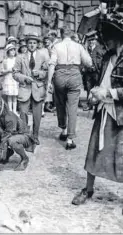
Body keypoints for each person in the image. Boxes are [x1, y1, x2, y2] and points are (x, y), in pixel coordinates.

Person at [72, 6, 123, 205]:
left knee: (121, 154)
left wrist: (109, 93)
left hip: (119, 113)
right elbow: (101, 82)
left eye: (110, 34)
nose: (105, 38)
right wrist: (95, 94)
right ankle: (88, 189)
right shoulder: (106, 57)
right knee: (93, 151)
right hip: (103, 112)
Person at [47, 26, 92, 150]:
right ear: (71, 34)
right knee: (72, 107)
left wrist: (49, 82)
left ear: (61, 35)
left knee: (60, 104)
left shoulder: (56, 46)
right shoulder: (78, 46)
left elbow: (52, 64)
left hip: (59, 75)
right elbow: (89, 62)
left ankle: (64, 130)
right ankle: (70, 139)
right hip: (74, 75)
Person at [0, 92, 34, 178]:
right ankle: (8, 153)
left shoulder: (9, 117)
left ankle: (24, 158)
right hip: (8, 136)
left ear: (2, 104)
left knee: (11, 141)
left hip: (24, 136)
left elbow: (5, 141)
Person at [13, 32, 50, 151]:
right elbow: (15, 73)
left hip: (38, 89)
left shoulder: (42, 56)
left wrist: (39, 74)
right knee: (23, 114)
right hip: (24, 89)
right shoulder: (20, 57)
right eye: (30, 43)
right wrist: (24, 78)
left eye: (34, 43)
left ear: (37, 44)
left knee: (37, 115)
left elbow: (46, 72)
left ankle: (35, 136)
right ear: (26, 44)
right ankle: (25, 136)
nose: (32, 45)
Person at [82, 34, 106, 111]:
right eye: (90, 40)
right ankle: (89, 104)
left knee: (97, 87)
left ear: (96, 41)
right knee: (89, 88)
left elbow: (101, 59)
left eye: (93, 40)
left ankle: (97, 104)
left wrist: (98, 67)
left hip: (96, 72)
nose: (91, 42)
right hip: (88, 72)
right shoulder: (87, 49)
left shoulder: (99, 48)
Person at [1, 44, 19, 116]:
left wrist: (16, 70)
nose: (13, 51)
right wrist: (9, 70)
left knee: (15, 95)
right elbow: (2, 71)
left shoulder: (17, 60)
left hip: (15, 79)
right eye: (11, 50)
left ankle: (14, 110)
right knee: (9, 96)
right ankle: (10, 111)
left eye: (14, 50)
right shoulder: (5, 61)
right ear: (8, 52)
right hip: (8, 78)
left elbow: (19, 68)